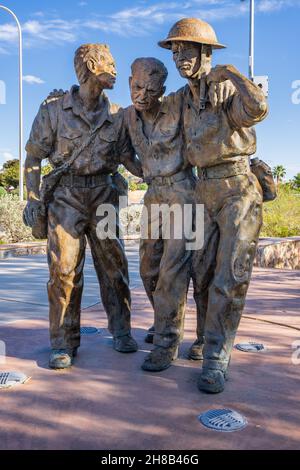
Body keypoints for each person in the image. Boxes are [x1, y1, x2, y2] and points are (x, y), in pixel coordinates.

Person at [159, 18, 268, 392]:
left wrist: (234, 73)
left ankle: (217, 360)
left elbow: (258, 108)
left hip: (236, 187)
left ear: (205, 52)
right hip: (200, 189)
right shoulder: (182, 98)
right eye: (174, 51)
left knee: (229, 276)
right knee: (200, 272)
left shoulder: (225, 89)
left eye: (185, 49)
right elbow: (144, 108)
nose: (178, 57)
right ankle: (202, 339)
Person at [23, 43, 143, 369]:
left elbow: (129, 159)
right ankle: (63, 342)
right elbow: (33, 157)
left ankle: (121, 330)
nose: (116, 70)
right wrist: (34, 199)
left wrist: (163, 172)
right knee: (63, 272)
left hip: (103, 196)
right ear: (91, 66)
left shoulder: (118, 115)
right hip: (66, 198)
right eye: (110, 63)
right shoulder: (53, 111)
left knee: (114, 267)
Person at [125, 57, 196, 371]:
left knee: (172, 272)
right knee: (148, 270)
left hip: (183, 193)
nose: (142, 95)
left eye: (151, 91)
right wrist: (141, 172)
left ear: (162, 90)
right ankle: (163, 319)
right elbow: (122, 152)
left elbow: (202, 85)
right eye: (137, 87)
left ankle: (169, 342)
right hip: (154, 194)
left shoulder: (179, 105)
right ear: (130, 82)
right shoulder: (127, 117)